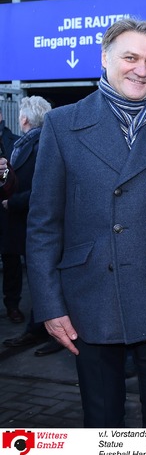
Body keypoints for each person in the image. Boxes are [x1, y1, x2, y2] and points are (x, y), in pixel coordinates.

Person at [26, 18, 146, 428]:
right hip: (91, 299)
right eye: (131, 57)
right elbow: (43, 226)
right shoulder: (63, 124)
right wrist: (50, 306)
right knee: (102, 420)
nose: (142, 69)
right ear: (105, 58)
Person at [1, 96, 63, 357]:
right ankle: (38, 327)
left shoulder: (41, 144)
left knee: (44, 275)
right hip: (20, 223)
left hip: (35, 222)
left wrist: (11, 201)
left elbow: (42, 189)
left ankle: (48, 331)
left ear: (24, 118)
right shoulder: (22, 144)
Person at [0, 109, 21, 323]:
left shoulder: (15, 142)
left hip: (7, 211)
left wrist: (5, 175)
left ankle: (12, 305)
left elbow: (16, 180)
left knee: (11, 260)